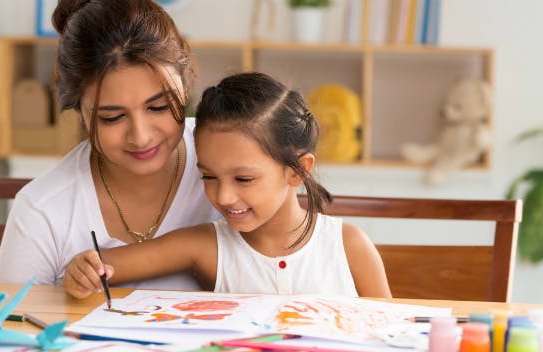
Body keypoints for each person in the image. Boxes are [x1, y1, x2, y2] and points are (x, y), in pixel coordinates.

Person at [65, 72, 392, 299]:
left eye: (243, 179)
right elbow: (104, 266)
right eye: (209, 176)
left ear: (297, 171)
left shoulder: (348, 246)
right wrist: (85, 269)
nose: (222, 196)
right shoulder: (206, 246)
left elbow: (389, 332)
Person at [0, 0, 220, 289]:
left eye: (158, 107)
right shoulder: (43, 209)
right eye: (112, 117)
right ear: (80, 113)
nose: (140, 136)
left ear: (185, 85)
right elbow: (9, 326)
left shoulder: (232, 160)